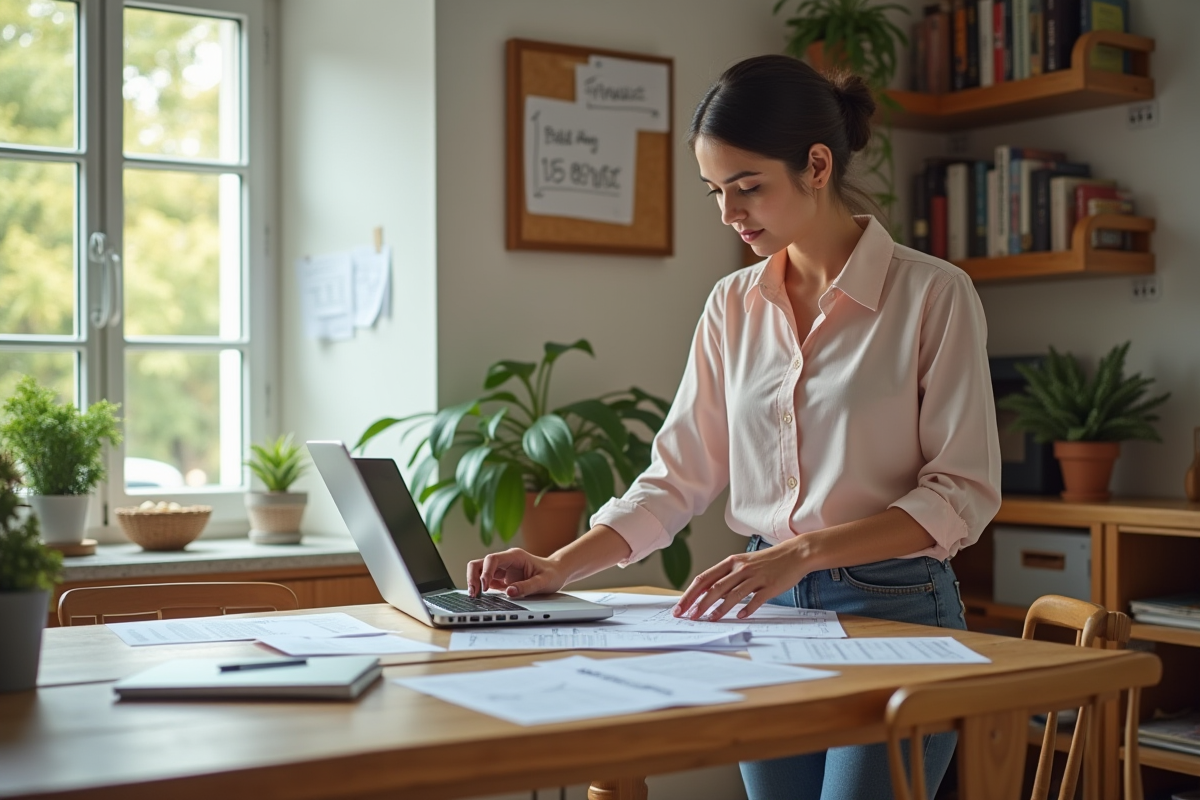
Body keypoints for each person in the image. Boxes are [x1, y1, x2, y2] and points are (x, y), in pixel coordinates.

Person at [467, 54, 1001, 800]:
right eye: (715, 191)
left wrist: (803, 553)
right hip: (766, 611)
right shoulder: (732, 304)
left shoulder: (934, 295)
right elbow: (678, 477)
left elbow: (960, 495)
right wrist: (562, 566)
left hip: (895, 608)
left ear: (817, 165)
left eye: (748, 187)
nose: (729, 213)